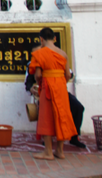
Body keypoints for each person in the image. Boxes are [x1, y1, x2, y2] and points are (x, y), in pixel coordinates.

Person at [25, 44, 86, 149]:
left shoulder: (58, 57)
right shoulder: (34, 63)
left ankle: (74, 137)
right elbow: (29, 82)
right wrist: (34, 88)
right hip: (43, 92)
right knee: (49, 112)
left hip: (60, 91)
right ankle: (48, 140)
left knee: (78, 107)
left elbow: (69, 74)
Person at [29, 27, 77, 160]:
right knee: (61, 116)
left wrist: (41, 82)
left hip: (47, 87)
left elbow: (38, 75)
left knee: (47, 118)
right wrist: (60, 82)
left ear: (41, 39)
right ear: (55, 39)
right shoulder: (63, 54)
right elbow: (67, 75)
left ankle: (48, 152)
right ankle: (60, 151)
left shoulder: (40, 53)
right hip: (61, 87)